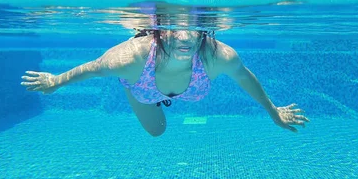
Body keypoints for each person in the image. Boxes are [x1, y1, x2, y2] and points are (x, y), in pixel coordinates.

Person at [21, 28, 309, 136]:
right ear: (159, 32)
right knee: (157, 130)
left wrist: (274, 112)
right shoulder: (128, 60)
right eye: (173, 29)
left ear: (203, 31)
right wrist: (55, 81)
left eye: (193, 29)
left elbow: (245, 77)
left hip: (182, 85)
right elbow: (93, 69)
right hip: (142, 85)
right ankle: (130, 88)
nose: (184, 37)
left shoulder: (218, 55)